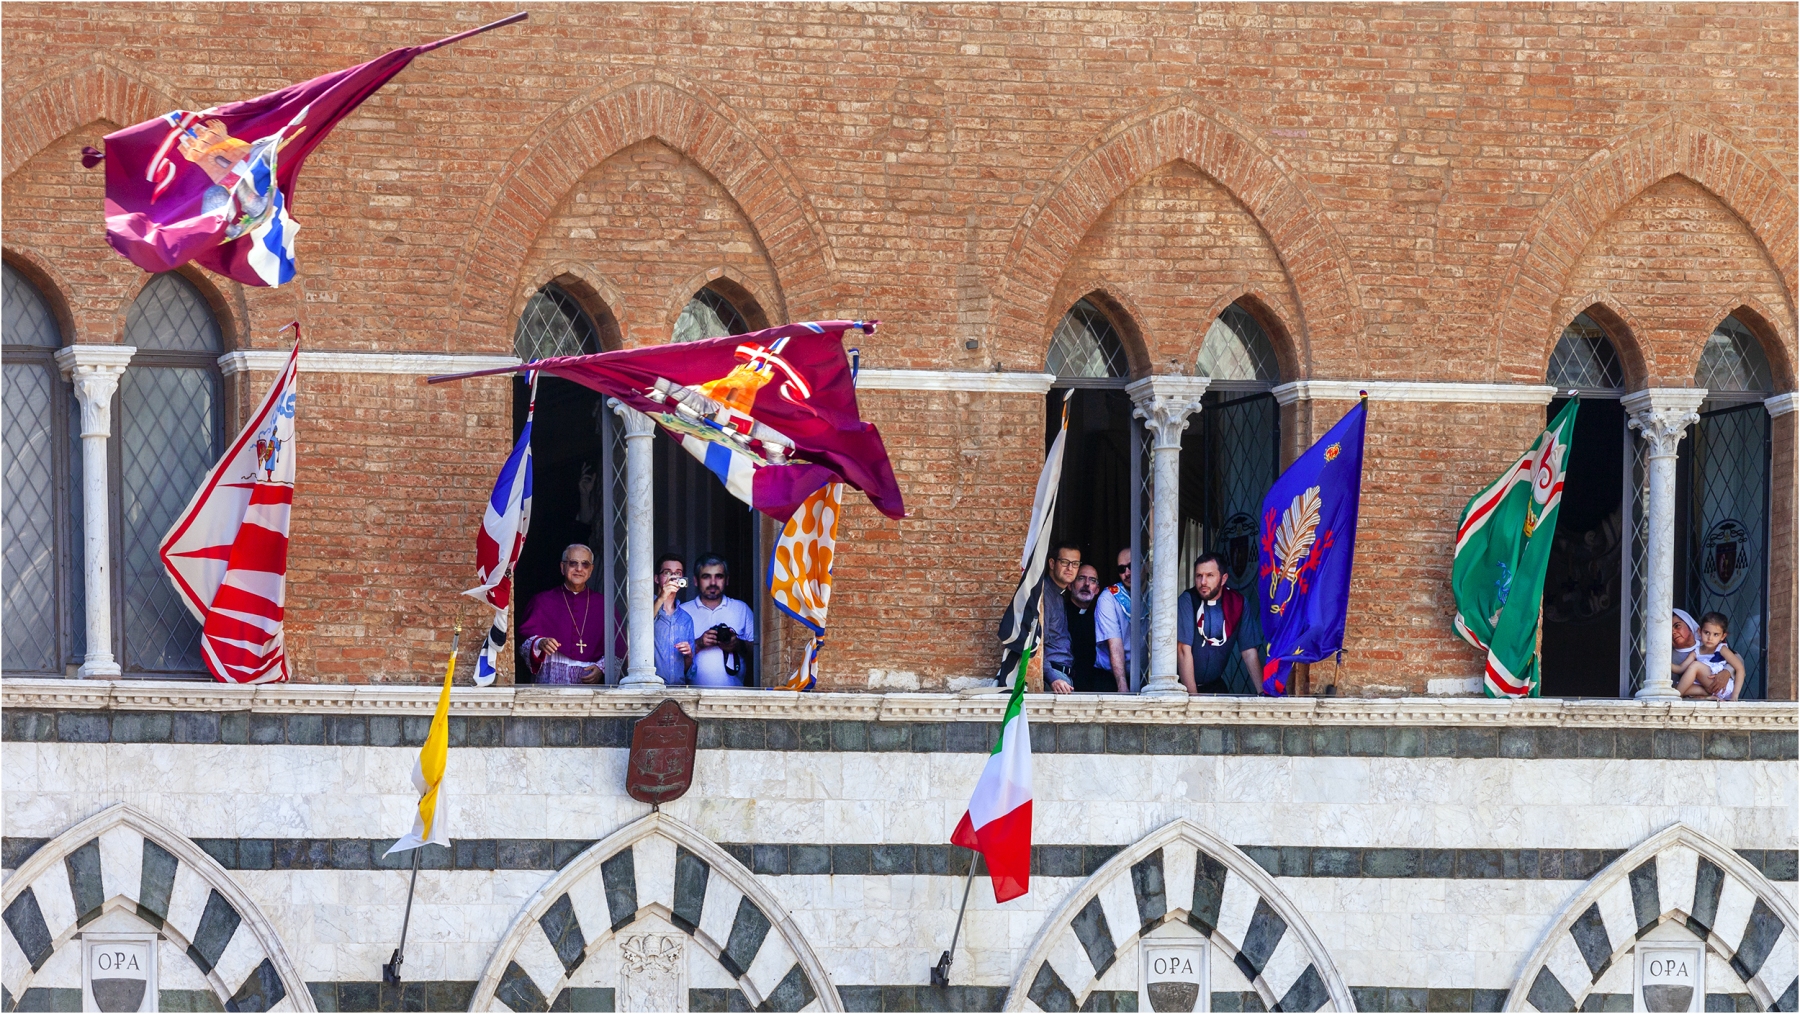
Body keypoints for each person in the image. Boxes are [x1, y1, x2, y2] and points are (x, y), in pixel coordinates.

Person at [1175, 553, 1263, 695]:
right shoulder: (1187, 600)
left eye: (1210, 575)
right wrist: (1193, 699)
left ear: (1223, 579)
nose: (1203, 582)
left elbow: (1249, 652)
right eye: (1199, 576)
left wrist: (1263, 692)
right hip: (1184, 689)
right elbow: (1183, 650)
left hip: (1215, 685)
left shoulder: (1238, 603)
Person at [517, 544, 606, 684]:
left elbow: (618, 647)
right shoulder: (542, 601)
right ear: (562, 567)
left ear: (591, 570)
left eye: (585, 564)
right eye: (573, 563)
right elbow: (523, 641)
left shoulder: (603, 604)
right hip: (550, 681)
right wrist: (540, 642)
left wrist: (602, 667)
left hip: (589, 685)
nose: (579, 569)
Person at [679, 554, 755, 687]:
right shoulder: (682, 611)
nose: (713, 583)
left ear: (727, 580)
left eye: (719, 576)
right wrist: (699, 643)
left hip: (736, 694)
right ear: (696, 581)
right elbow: (670, 658)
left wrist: (737, 644)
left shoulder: (741, 609)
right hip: (691, 695)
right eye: (706, 576)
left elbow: (761, 652)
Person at [1063, 564, 1117, 693]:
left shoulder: (1100, 619)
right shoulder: (1060, 614)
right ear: (1070, 585)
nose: (1086, 584)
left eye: (1092, 580)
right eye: (1081, 578)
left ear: (1097, 589)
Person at [1675, 612, 1745, 701]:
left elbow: (1740, 668)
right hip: (1705, 686)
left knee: (1695, 666)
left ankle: (1674, 699)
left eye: (1715, 634)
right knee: (1676, 687)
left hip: (1720, 686)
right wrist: (1663, 663)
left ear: (1723, 636)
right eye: (1707, 633)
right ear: (1700, 631)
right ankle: (1707, 696)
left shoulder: (1721, 649)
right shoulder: (1696, 651)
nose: (1710, 638)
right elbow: (1680, 668)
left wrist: (1734, 696)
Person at [1042, 542, 1081, 694]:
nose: (1070, 568)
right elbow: (1035, 644)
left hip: (1062, 676)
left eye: (1075, 564)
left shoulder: (1060, 594)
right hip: (1053, 678)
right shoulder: (1044, 596)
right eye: (1064, 562)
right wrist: (1052, 678)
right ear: (1052, 563)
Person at [1095, 548, 1134, 693]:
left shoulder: (1155, 593)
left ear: (1146, 565)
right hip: (1112, 677)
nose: (1127, 573)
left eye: (1131, 566)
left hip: (1146, 677)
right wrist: (1122, 687)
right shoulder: (1108, 597)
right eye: (1121, 569)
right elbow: (1115, 645)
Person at [654, 552, 695, 685]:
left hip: (678, 689)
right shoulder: (645, 609)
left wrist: (689, 655)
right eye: (667, 572)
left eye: (678, 573)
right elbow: (641, 628)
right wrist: (662, 597)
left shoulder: (686, 619)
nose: (673, 577)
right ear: (656, 578)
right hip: (651, 689)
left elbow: (687, 670)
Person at [1671, 608, 1701, 679]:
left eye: (1677, 626)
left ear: (1689, 626)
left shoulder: (1708, 644)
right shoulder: (1671, 659)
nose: (1673, 632)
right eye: (1668, 630)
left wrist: (1726, 671)